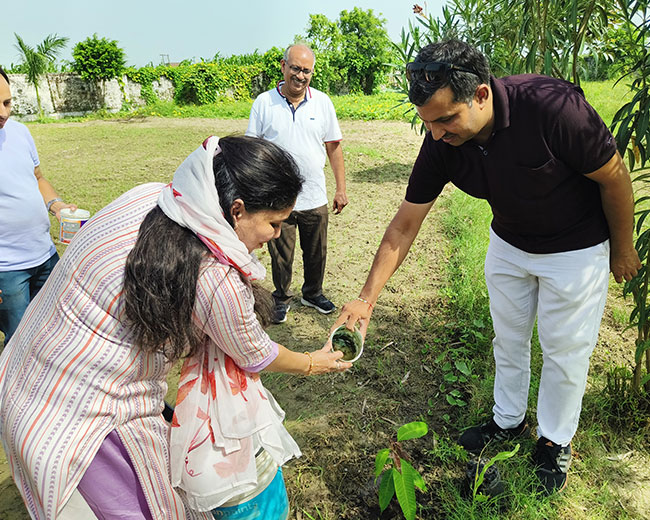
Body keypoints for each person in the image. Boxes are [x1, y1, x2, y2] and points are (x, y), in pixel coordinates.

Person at [335, 39, 641, 493]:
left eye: (444, 119)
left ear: (481, 94)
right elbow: (404, 225)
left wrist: (623, 247)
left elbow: (613, 174)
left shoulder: (552, 108)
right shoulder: (442, 141)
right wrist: (365, 299)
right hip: (510, 245)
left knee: (564, 349)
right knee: (510, 337)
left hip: (574, 249)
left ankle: (555, 442)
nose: (436, 134)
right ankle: (508, 421)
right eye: (428, 123)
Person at [0, 135, 351, 519]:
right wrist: (313, 362)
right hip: (85, 424)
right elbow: (255, 353)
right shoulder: (213, 276)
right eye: (274, 223)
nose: (277, 235)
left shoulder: (150, 196)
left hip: (20, 380)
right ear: (236, 210)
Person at [246, 43, 348, 324]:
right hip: (277, 199)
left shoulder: (323, 103)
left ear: (311, 73)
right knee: (281, 253)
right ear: (283, 67)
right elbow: (253, 148)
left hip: (314, 195)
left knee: (317, 251)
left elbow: (334, 146)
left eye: (306, 71)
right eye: (295, 68)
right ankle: (281, 297)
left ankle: (313, 293)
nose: (300, 76)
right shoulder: (264, 103)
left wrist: (340, 188)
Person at [0, 66, 77, 346]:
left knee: (53, 332)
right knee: (19, 344)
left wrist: (56, 205)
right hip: (6, 272)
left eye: (7, 102)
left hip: (45, 257)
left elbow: (37, 178)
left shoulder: (20, 132)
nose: (4, 113)